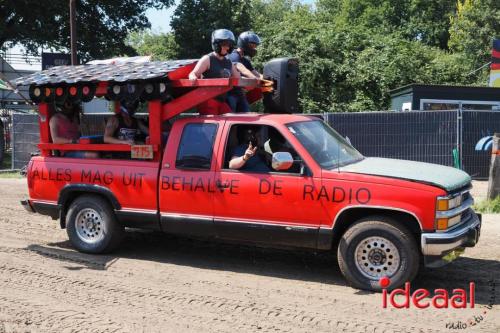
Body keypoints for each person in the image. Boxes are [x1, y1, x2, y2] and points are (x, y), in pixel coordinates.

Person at [188, 29, 241, 115]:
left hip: (222, 100)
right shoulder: (208, 59)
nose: (227, 47)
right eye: (224, 44)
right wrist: (193, 77)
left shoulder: (228, 61)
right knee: (212, 125)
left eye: (229, 45)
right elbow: (193, 73)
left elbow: (237, 78)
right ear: (216, 44)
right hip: (208, 100)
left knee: (230, 120)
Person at [226, 31, 263, 113]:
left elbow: (255, 72)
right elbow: (243, 71)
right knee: (231, 119)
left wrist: (268, 80)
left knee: (246, 117)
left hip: (240, 94)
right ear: (244, 44)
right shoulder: (233, 56)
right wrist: (256, 80)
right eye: (252, 45)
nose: (254, 48)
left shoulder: (245, 60)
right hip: (230, 94)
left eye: (255, 46)